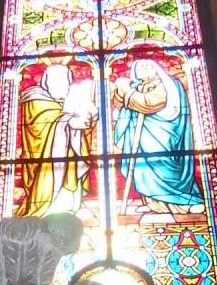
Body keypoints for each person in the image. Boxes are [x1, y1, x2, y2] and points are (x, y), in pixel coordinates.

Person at [111, 56, 202, 214]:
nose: (143, 69)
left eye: (147, 66)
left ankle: (186, 202)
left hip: (163, 133)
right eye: (139, 67)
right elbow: (120, 104)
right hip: (141, 135)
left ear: (156, 68)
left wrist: (127, 91)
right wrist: (121, 91)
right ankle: (153, 203)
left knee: (164, 166)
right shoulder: (137, 85)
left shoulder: (168, 84)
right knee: (143, 168)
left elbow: (149, 103)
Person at [18, 61, 96, 216]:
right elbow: (38, 125)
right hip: (46, 160)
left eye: (64, 81)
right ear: (46, 81)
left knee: (71, 177)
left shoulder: (71, 99)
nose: (61, 84)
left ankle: (70, 205)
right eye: (55, 80)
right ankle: (49, 208)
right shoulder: (34, 99)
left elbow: (83, 127)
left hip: (70, 156)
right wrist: (69, 121)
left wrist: (89, 117)